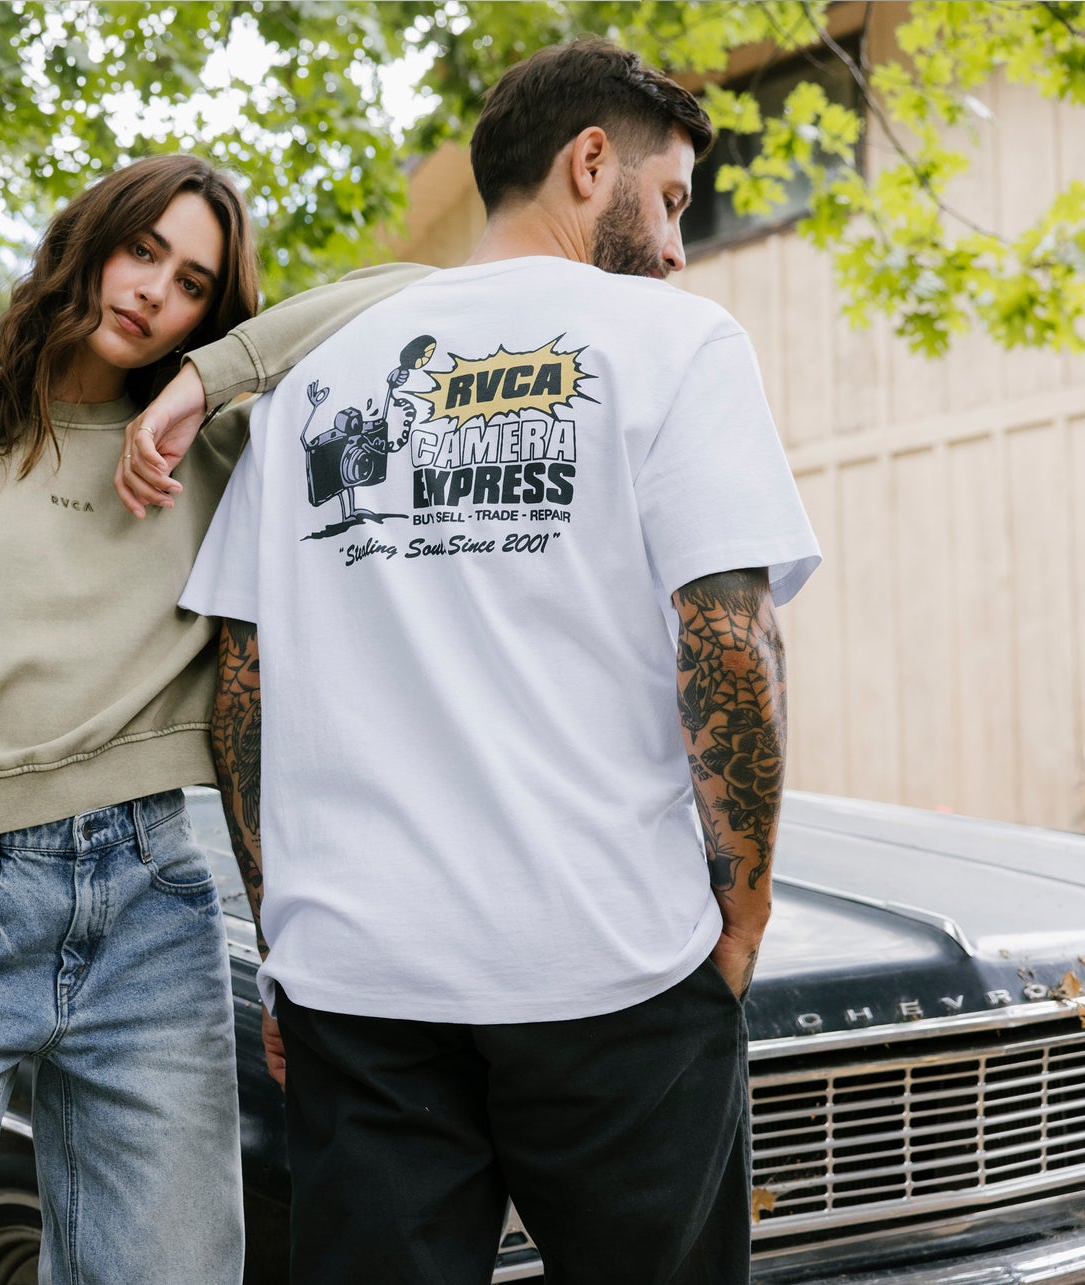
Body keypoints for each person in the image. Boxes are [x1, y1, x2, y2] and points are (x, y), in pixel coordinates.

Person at [131, 38, 821, 1284]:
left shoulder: (312, 378)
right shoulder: (676, 343)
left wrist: (288, 933)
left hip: (361, 977)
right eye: (668, 200)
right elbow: (730, 633)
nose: (675, 246)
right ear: (588, 159)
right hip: (610, 963)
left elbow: (244, 683)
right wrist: (745, 910)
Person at [0, 154, 421, 1284]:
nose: (157, 290)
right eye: (142, 250)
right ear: (87, 242)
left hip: (148, 913)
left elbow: (419, 290)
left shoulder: (215, 459)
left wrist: (212, 381)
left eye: (195, 283)